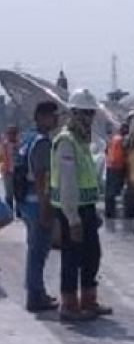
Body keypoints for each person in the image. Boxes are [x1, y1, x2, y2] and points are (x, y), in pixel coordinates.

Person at [52, 89, 110, 321]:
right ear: (74, 113)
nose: (89, 118)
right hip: (71, 211)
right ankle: (69, 305)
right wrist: (73, 217)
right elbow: (67, 183)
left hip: (86, 208)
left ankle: (88, 300)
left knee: (92, 255)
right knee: (72, 258)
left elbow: (87, 177)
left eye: (91, 113)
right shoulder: (66, 141)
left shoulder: (82, 141)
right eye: (85, 113)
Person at [18, 101, 59, 312]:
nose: (56, 119)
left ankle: (35, 290)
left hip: (26, 201)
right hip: (38, 202)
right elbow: (42, 176)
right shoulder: (42, 142)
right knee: (39, 251)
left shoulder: (27, 138)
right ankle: (36, 294)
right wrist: (46, 208)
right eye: (53, 115)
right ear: (42, 116)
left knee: (34, 249)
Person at [104, 122, 129, 218]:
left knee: (109, 191)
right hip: (118, 167)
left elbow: (106, 150)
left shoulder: (113, 138)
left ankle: (109, 212)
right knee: (113, 192)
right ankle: (110, 213)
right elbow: (125, 151)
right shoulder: (121, 140)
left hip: (110, 166)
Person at [0, 124, 19, 210]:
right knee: (9, 194)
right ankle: (9, 211)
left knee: (19, 192)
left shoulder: (20, 144)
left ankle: (20, 212)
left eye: (14, 133)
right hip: (8, 172)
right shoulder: (4, 145)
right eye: (10, 133)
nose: (12, 135)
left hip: (18, 172)